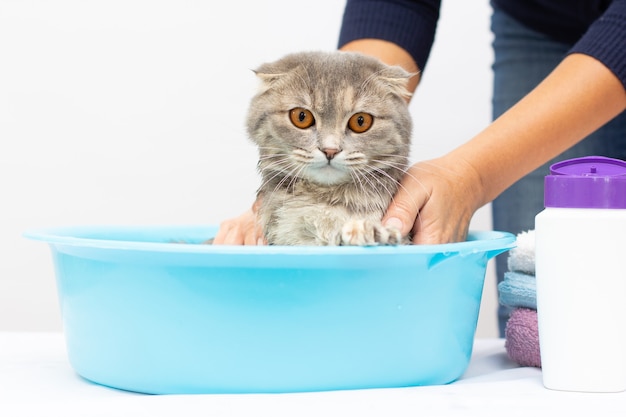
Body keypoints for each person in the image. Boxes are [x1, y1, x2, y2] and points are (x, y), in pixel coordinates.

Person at [214, 0, 626, 335]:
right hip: (539, 15)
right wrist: (299, 188)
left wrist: (472, 175)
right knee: (541, 316)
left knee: (588, 305)